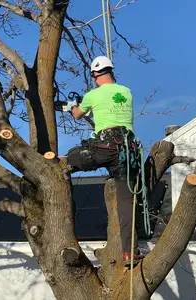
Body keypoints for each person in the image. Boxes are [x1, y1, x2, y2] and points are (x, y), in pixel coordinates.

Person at [65, 56, 144, 266]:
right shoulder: (126, 92)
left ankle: (67, 166)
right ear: (111, 71)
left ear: (94, 75)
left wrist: (73, 105)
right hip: (127, 151)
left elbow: (77, 115)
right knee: (127, 202)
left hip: (104, 148)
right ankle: (130, 252)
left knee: (73, 154)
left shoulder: (93, 95)